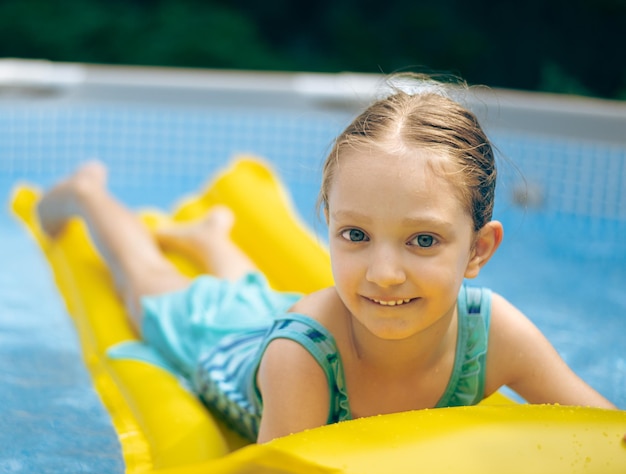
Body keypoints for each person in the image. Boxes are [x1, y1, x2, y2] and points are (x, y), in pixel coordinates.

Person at [37, 73, 616, 444]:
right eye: (356, 235)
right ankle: (88, 193)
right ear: (330, 224)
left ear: (478, 249)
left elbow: (606, 435)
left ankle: (212, 237)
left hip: (287, 316)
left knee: (255, 300)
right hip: (232, 348)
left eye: (423, 241)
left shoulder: (498, 335)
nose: (384, 274)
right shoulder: (301, 359)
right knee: (148, 283)